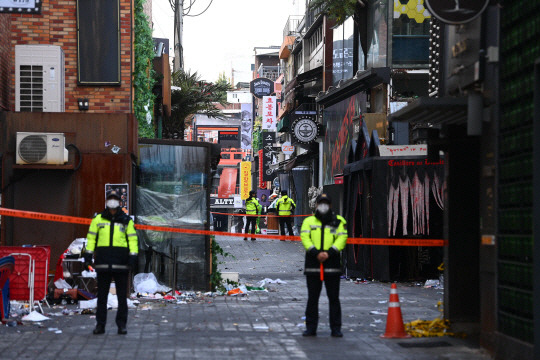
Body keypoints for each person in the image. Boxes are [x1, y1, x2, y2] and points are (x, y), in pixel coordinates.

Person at [83, 190, 138, 335]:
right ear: (107, 202)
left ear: (119, 202)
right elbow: (91, 239)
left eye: (115, 199)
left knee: (122, 298)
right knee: (101, 297)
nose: (112, 202)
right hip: (103, 263)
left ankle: (122, 325)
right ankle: (100, 325)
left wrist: (133, 257)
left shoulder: (126, 221)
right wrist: (87, 257)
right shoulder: (98, 220)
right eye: (110, 199)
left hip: (121, 264)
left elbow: (133, 240)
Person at [300, 193, 347, 337]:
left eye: (326, 203)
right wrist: (315, 252)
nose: (323, 206)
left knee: (334, 298)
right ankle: (311, 328)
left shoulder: (338, 221)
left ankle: (336, 328)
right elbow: (305, 237)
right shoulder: (308, 221)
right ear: (316, 205)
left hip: (332, 264)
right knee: (312, 298)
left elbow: (342, 238)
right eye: (321, 203)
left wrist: (329, 253)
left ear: (331, 205)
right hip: (313, 264)